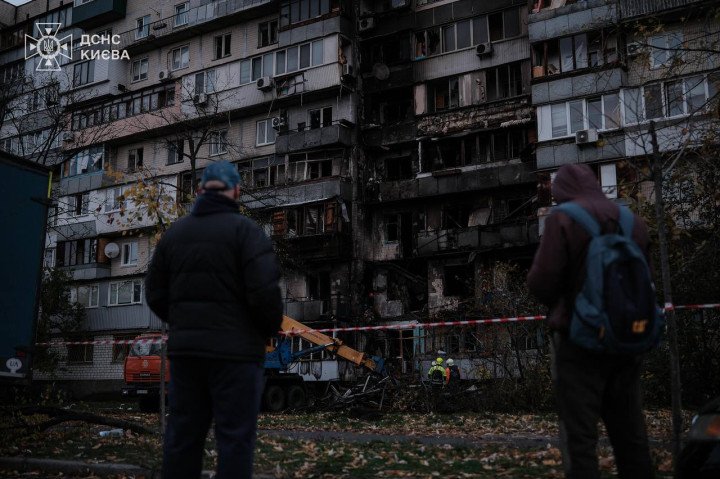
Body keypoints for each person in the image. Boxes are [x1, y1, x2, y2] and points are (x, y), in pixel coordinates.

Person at [145, 161, 283, 479]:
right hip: (237, 357)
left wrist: (184, 322)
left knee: (182, 438)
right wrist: (263, 332)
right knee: (235, 440)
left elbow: (154, 293)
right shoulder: (248, 233)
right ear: (236, 191)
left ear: (198, 192)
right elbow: (265, 295)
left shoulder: (173, 235)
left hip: (187, 356)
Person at [527, 164, 654, 479]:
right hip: (628, 341)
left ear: (561, 192)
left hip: (580, 341)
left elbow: (541, 282)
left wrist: (564, 302)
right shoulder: (632, 222)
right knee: (631, 436)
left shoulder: (564, 218)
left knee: (581, 438)